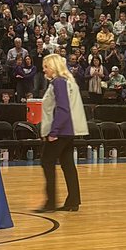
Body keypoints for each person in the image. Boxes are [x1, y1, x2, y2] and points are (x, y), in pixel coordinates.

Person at [36, 54, 88, 213]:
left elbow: (63, 109)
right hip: (69, 130)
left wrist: (54, 132)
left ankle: (50, 202)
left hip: (61, 130)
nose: (44, 69)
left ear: (53, 67)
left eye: (46, 66)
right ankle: (73, 201)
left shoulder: (58, 82)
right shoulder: (69, 81)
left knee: (47, 162)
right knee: (68, 165)